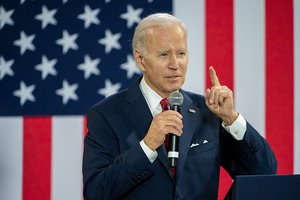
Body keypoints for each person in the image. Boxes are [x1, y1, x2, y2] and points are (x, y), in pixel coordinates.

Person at [83, 13, 277, 200]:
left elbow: (263, 173)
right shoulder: (106, 115)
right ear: (140, 59)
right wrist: (147, 146)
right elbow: (96, 192)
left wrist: (231, 118)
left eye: (181, 53)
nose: (175, 64)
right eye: (164, 54)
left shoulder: (208, 111)